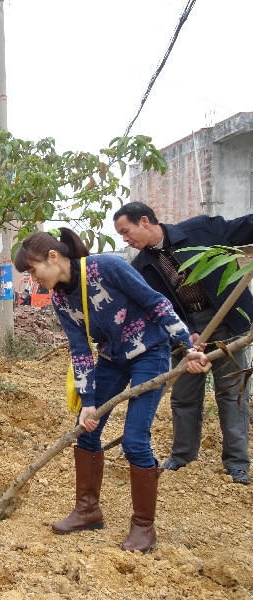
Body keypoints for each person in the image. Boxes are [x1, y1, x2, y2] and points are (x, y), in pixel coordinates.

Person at [14, 228, 210, 553]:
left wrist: (186, 345)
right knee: (85, 430)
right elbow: (79, 350)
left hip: (150, 353)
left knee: (135, 440)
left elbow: (155, 302)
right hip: (111, 358)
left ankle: (144, 527)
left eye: (33, 270)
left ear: (53, 257)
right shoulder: (61, 299)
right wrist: (88, 402)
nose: (34, 279)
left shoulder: (105, 267)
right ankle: (88, 510)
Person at [113, 201, 253, 485]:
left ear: (144, 221)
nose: (125, 240)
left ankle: (237, 465)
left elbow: (244, 227)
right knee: (184, 395)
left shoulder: (201, 230)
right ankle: (182, 457)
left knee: (232, 393)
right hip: (183, 331)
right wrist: (183, 333)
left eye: (126, 232)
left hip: (225, 319)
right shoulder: (141, 267)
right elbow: (153, 308)